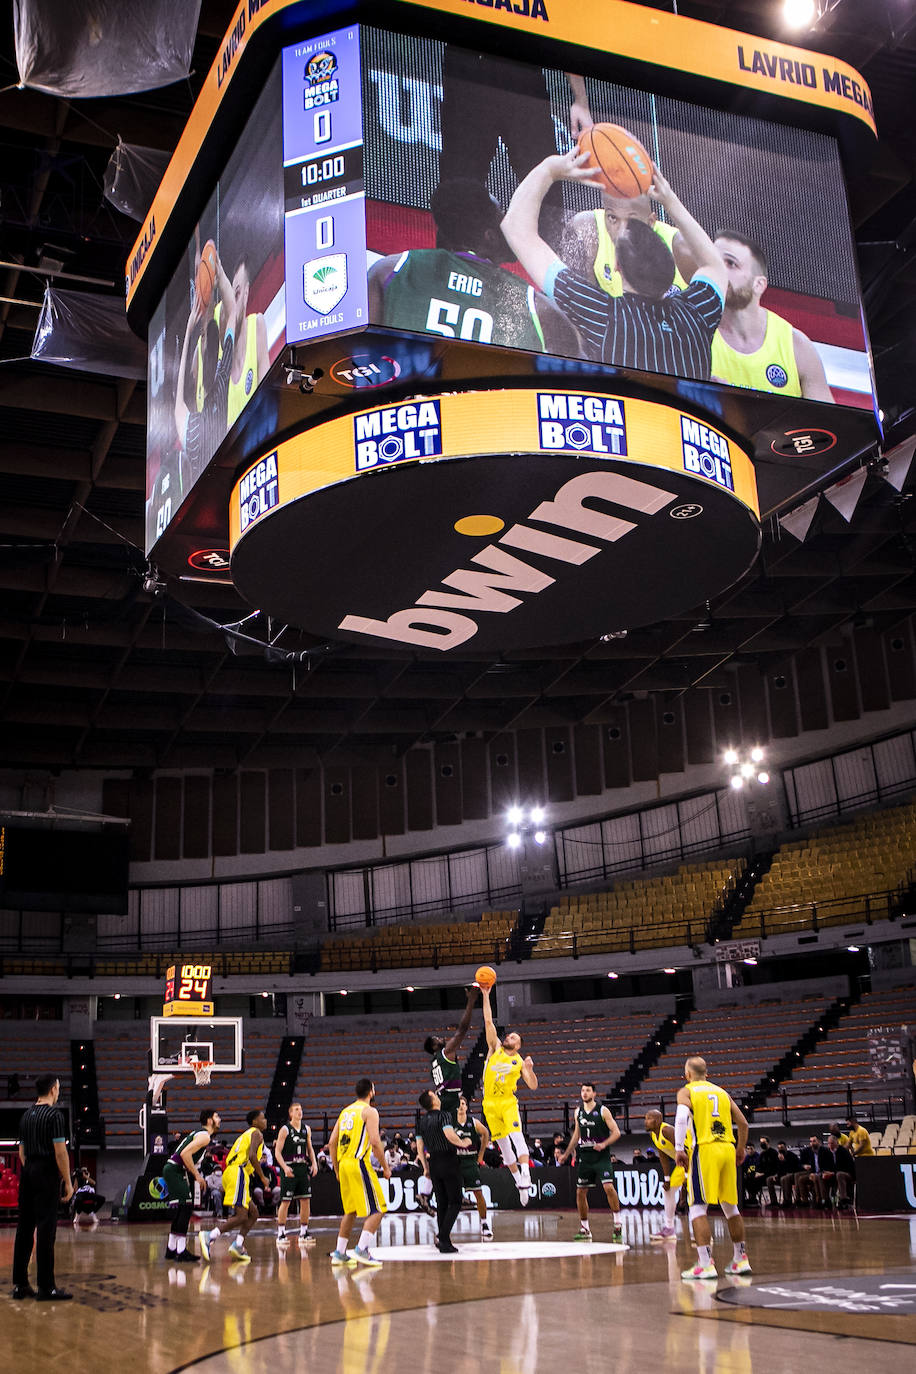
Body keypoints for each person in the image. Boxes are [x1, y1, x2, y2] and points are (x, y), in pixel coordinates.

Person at [501, 152, 728, 380]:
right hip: (680, 416)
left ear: (617, 266)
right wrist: (670, 201)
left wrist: (548, 169)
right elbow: (715, 265)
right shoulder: (698, 313)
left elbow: (516, 228)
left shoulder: (605, 316)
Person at [368, 179, 579, 355]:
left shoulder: (389, 271)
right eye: (501, 216)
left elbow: (358, 356)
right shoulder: (536, 306)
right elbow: (572, 379)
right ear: (490, 237)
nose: (508, 223)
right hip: (485, 405)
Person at [438, 45, 593, 252]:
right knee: (458, 189)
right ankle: (447, 272)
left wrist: (581, 100)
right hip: (468, 72)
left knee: (548, 195)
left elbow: (564, 31)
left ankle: (556, 278)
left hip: (522, 76)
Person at [701, 232, 834, 400]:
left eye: (730, 263)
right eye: (714, 260)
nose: (719, 269)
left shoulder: (796, 346)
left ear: (758, 285)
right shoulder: (690, 333)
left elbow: (826, 423)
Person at [675, 1056, 751, 1280]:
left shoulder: (687, 1091)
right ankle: (740, 1260)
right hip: (727, 1148)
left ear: (687, 1074)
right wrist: (741, 1148)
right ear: (706, 1073)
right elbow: (743, 1123)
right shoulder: (722, 1092)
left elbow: (680, 1119)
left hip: (705, 1149)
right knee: (731, 1207)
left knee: (697, 1207)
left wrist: (680, 1148)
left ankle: (705, 1263)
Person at [173, 244, 238, 491]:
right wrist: (220, 275)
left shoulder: (192, 431)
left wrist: (189, 331)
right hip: (226, 484)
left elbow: (178, 400)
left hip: (204, 494)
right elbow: (232, 313)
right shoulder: (222, 385)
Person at [12, 1072, 74, 1301]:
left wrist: (31, 1171)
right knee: (46, 1230)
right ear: (53, 1090)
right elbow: (60, 1151)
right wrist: (67, 1181)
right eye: (58, 1087)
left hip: (28, 1171)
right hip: (46, 1172)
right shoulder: (54, 1116)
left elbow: (21, 1151)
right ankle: (46, 1287)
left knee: (24, 1229)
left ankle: (20, 1285)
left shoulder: (26, 1116)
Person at [562, 189, 688, 297]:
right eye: (612, 218)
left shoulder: (681, 248)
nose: (621, 231)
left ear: (651, 222)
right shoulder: (588, 229)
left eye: (631, 220)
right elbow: (576, 304)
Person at [480, 982, 538, 1205]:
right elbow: (487, 1020)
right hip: (489, 1104)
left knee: (517, 1138)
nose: (509, 1038)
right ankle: (518, 1182)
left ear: (519, 1046)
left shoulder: (520, 1061)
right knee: (504, 1150)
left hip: (506, 1102)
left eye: (514, 1038)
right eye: (510, 1035)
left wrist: (531, 1071)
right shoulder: (494, 1047)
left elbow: (532, 1085)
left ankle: (526, 1175)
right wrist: (486, 995)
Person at [328, 1078, 390, 1268]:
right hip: (358, 1163)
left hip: (344, 1164)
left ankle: (339, 1252)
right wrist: (385, 1167)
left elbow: (332, 1142)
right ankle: (361, 1249)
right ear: (371, 1092)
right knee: (379, 1209)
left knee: (351, 1211)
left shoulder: (345, 1111)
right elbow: (374, 1141)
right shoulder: (369, 1111)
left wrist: (337, 1169)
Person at [199, 1108, 269, 1263]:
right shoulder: (256, 1133)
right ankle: (210, 1235)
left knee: (254, 1213)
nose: (265, 1121)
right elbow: (251, 1156)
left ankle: (238, 1244)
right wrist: (263, 1177)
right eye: (262, 1118)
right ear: (254, 1122)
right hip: (238, 1172)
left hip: (234, 1172)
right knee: (241, 1215)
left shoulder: (246, 1135)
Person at [560, 1083, 622, 1243]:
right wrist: (566, 1153)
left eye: (588, 1090)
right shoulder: (578, 1112)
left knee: (609, 1187)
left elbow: (616, 1132)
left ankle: (617, 1224)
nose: (584, 1093)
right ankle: (585, 1228)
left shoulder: (603, 1110)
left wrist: (604, 1144)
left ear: (594, 1093)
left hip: (601, 1157)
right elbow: (576, 1136)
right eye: (582, 1090)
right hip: (585, 1157)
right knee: (580, 1192)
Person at [161, 1107, 220, 1261]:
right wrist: (198, 1176)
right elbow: (184, 1154)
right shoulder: (205, 1136)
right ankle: (181, 1252)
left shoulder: (199, 1134)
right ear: (209, 1120)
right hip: (175, 1169)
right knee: (186, 1209)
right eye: (217, 1116)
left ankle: (171, 1249)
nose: (219, 1119)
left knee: (182, 1209)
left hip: (174, 1170)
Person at [417, 1089, 466, 1254]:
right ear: (433, 1100)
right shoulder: (444, 1115)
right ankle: (443, 1237)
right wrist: (463, 1143)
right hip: (448, 1160)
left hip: (434, 1162)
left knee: (442, 1203)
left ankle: (445, 1242)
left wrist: (425, 1168)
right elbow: (449, 1134)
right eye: (435, 1095)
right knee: (456, 1201)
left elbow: (420, 1147)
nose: (438, 1097)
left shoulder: (421, 1122)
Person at [275, 1101, 318, 1248]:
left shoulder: (307, 1129)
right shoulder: (285, 1130)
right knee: (286, 1201)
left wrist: (314, 1163)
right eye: (296, 1109)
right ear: (290, 1113)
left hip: (302, 1168)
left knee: (305, 1201)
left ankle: (303, 1232)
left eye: (301, 1109)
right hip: (289, 1168)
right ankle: (281, 1233)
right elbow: (277, 1153)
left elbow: (310, 1148)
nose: (300, 1112)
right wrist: (284, 1167)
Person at [644, 1108, 690, 1242]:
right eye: (645, 1118)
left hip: (692, 1160)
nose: (645, 1122)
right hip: (681, 1164)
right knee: (668, 1191)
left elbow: (685, 1150)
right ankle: (669, 1229)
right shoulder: (654, 1134)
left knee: (694, 1196)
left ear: (658, 1120)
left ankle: (704, 1234)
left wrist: (687, 1177)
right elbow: (663, 1156)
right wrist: (667, 1178)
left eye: (649, 1118)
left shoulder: (667, 1130)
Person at [454, 1095, 494, 1240]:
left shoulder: (473, 1122)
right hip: (456, 1162)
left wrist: (481, 1155)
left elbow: (485, 1133)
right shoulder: (451, 1122)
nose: (461, 1106)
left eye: (463, 1103)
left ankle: (484, 1223)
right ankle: (444, 1228)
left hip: (470, 1161)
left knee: (478, 1193)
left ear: (467, 1107)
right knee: (450, 1196)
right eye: (459, 1104)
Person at [817, 1132, 856, 1209]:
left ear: (837, 1143)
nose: (830, 1145)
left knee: (839, 1174)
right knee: (820, 1176)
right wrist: (825, 1172)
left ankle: (843, 1200)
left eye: (832, 1143)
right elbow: (823, 1166)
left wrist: (833, 1173)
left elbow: (849, 1167)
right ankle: (826, 1200)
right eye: (828, 1143)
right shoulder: (827, 1152)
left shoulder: (844, 1151)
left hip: (847, 1174)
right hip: (833, 1175)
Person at [794, 1133, 823, 1205]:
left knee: (812, 1177)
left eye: (814, 1141)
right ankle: (802, 1200)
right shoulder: (807, 1151)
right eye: (811, 1141)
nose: (812, 1143)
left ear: (819, 1142)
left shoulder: (824, 1151)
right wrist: (804, 1166)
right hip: (811, 1171)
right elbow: (799, 1164)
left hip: (821, 1172)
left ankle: (819, 1200)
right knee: (798, 1176)